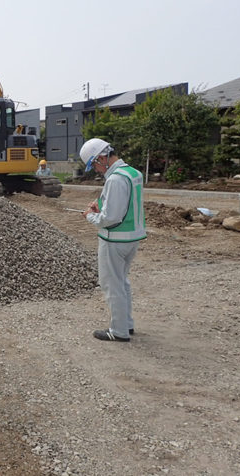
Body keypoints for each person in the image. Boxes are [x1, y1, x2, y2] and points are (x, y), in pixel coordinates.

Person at [80, 138, 146, 342]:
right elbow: (123, 206)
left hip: (115, 240)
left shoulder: (115, 179)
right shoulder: (133, 173)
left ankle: (118, 331)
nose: (97, 170)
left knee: (112, 285)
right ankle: (126, 323)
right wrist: (101, 208)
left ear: (102, 157)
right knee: (122, 282)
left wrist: (91, 216)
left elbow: (111, 218)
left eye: (95, 165)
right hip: (132, 238)